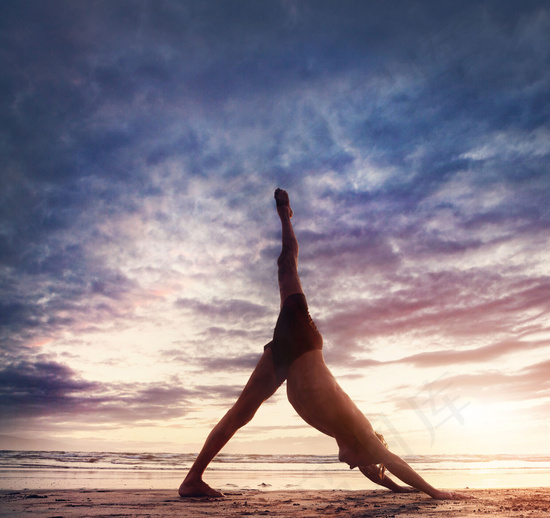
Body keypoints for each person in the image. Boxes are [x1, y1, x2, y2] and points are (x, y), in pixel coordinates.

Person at [179, 189, 469, 499]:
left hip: (285, 359)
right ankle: (285, 215)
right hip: (302, 338)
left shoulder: (347, 438)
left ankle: (191, 480)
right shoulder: (358, 428)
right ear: (368, 448)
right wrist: (436, 493)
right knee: (287, 265)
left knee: (241, 413)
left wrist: (398, 490)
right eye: (364, 463)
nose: (354, 468)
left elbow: (382, 473)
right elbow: (392, 461)